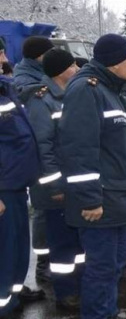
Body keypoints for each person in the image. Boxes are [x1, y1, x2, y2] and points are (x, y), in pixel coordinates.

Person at [58, 33, 126, 319]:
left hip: (119, 196)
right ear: (114, 61)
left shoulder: (113, 90)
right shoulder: (87, 90)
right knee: (101, 266)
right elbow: (79, 150)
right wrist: (90, 199)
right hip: (102, 201)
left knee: (115, 262)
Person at [25, 49, 84, 312]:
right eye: (73, 65)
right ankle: (65, 294)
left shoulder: (69, 95)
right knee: (62, 244)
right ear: (61, 71)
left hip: (74, 183)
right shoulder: (42, 101)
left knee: (77, 242)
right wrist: (55, 186)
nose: (77, 69)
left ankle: (78, 286)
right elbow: (43, 147)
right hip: (57, 189)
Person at [0, 57, 48, 319]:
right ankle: (5, 318)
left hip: (15, 186)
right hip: (3, 189)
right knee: (4, 256)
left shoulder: (5, 89)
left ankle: (14, 295)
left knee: (17, 252)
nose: (5, 59)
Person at [13, 36, 55, 287]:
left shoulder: (38, 73)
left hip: (48, 150)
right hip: (38, 152)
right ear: (39, 55)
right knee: (42, 208)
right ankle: (43, 263)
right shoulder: (27, 79)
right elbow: (27, 98)